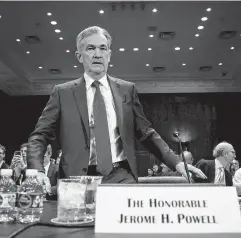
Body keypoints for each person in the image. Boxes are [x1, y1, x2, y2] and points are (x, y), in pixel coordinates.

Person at [27, 26, 206, 188]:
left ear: (109, 55)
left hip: (121, 175)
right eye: (91, 48)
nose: (98, 54)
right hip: (77, 179)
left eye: (103, 48)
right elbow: (39, 136)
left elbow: (146, 132)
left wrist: (177, 162)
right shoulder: (62, 93)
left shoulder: (127, 90)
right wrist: (37, 171)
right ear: (79, 56)